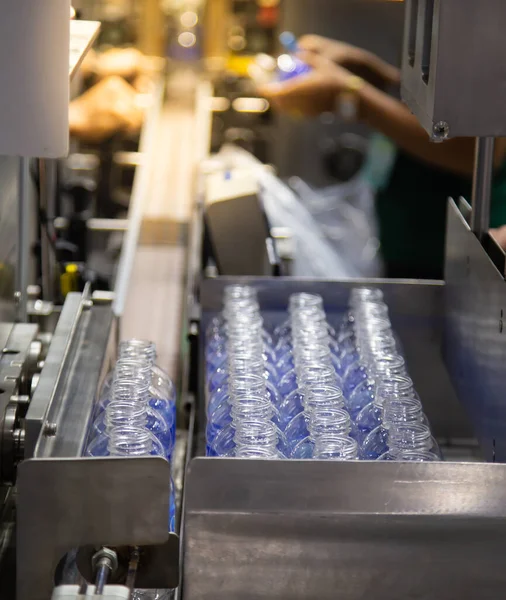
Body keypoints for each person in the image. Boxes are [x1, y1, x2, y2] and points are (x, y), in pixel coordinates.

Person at [260, 35, 506, 279]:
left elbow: (476, 151)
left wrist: (356, 97)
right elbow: (448, 99)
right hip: (406, 238)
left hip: (450, 252)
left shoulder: (485, 20)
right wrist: (380, 77)